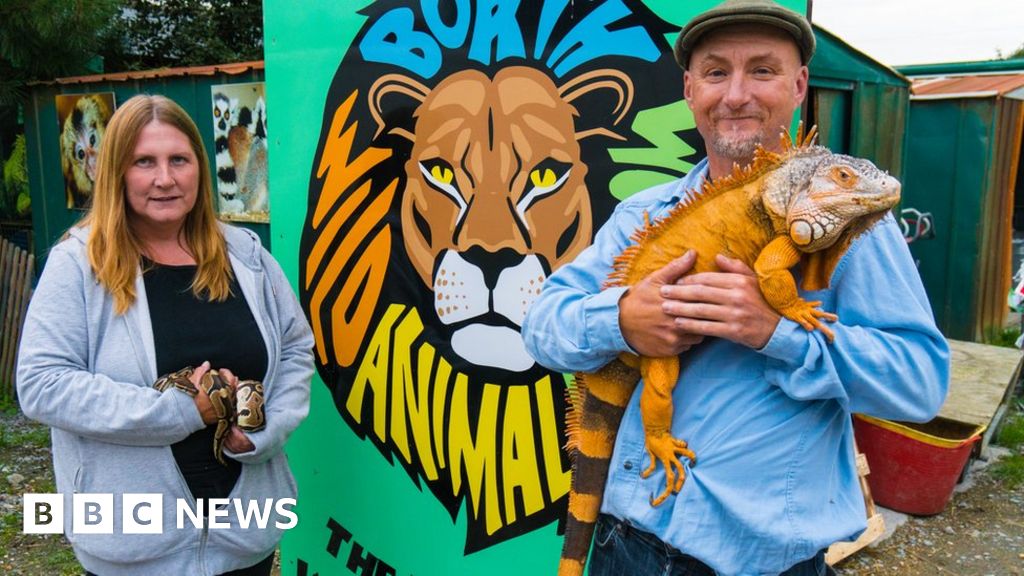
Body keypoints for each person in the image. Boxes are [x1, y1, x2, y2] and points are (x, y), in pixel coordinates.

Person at [521, 1, 950, 575]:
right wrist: (623, 319)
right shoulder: (644, 214)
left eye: (763, 71)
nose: (737, 94)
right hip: (622, 545)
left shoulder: (847, 225)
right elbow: (542, 326)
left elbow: (919, 385)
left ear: (799, 86)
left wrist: (774, 332)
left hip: (759, 564)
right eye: (717, 72)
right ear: (690, 89)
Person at [17, 94, 314, 576]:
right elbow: (42, 384)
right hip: (135, 547)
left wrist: (265, 430)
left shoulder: (246, 254)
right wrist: (179, 411)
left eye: (179, 159)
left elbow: (297, 348)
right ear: (116, 172)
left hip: (244, 537)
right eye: (143, 162)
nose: (165, 178)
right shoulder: (78, 263)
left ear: (199, 165)